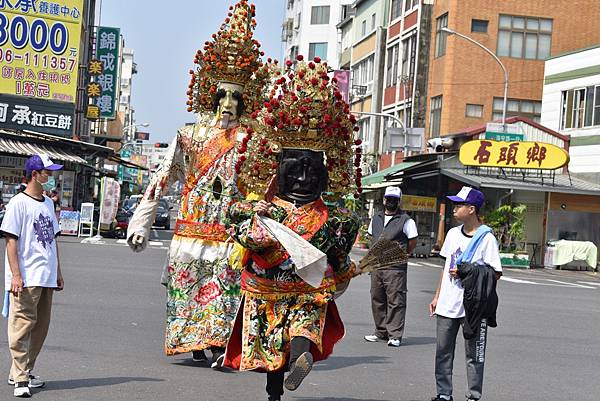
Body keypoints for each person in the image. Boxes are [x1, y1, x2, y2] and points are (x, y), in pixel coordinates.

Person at [126, 0, 273, 368]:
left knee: (225, 291)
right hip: (191, 229)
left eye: (235, 97)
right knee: (190, 288)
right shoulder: (188, 135)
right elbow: (162, 178)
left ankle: (220, 345)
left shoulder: (252, 141)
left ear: (245, 102)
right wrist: (141, 222)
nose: (227, 103)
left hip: (228, 232)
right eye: (222, 95)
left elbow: (263, 185)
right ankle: (194, 344)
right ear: (210, 95)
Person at [223, 56, 363, 401]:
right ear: (277, 168)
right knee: (298, 330)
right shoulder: (261, 210)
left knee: (276, 342)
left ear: (325, 175)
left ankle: (280, 387)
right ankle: (292, 367)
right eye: (295, 170)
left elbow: (339, 254)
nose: (303, 178)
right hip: (280, 287)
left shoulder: (336, 221)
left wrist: (342, 261)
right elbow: (239, 224)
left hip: (290, 287)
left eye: (312, 171)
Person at [428, 186, 502, 401]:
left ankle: (473, 396)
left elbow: (495, 273)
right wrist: (436, 296)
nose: (454, 208)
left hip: (473, 307)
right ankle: (443, 394)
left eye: (459, 205)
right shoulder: (452, 234)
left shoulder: (486, 238)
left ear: (471, 209)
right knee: (443, 351)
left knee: (474, 355)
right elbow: (445, 268)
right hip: (447, 303)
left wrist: (468, 272)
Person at [0, 154, 64, 398]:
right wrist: (16, 275)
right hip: (27, 277)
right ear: (35, 174)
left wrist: (58, 272)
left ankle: (22, 370)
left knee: (40, 328)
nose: (51, 176)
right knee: (21, 326)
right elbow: (10, 242)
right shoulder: (18, 203)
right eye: (47, 172)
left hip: (46, 276)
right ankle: (20, 380)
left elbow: (53, 241)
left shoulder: (48, 203)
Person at [364, 186, 417, 347]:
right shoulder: (376, 217)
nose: (391, 202)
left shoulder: (406, 220)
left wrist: (403, 254)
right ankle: (381, 331)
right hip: (377, 265)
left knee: (396, 300)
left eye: (394, 199)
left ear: (399, 201)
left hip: (395, 267)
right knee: (377, 298)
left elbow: (412, 241)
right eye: (389, 199)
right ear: (384, 199)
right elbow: (370, 236)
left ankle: (394, 335)